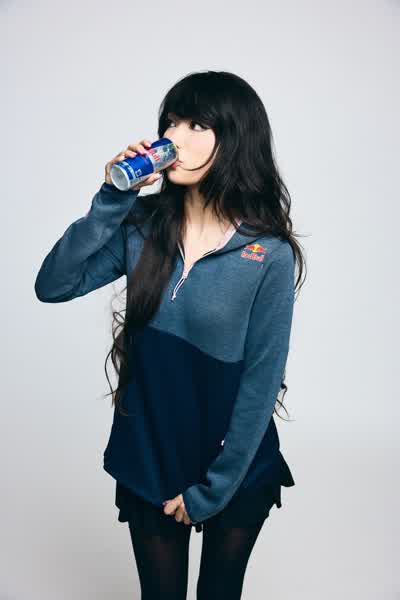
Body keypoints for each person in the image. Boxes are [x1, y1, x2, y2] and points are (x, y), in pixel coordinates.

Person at [34, 70, 306, 599]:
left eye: (196, 125)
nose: (173, 137)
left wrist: (215, 487)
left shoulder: (268, 254)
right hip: (151, 449)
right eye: (171, 122)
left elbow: (261, 379)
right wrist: (112, 197)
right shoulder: (143, 226)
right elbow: (54, 284)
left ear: (235, 140)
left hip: (232, 460)